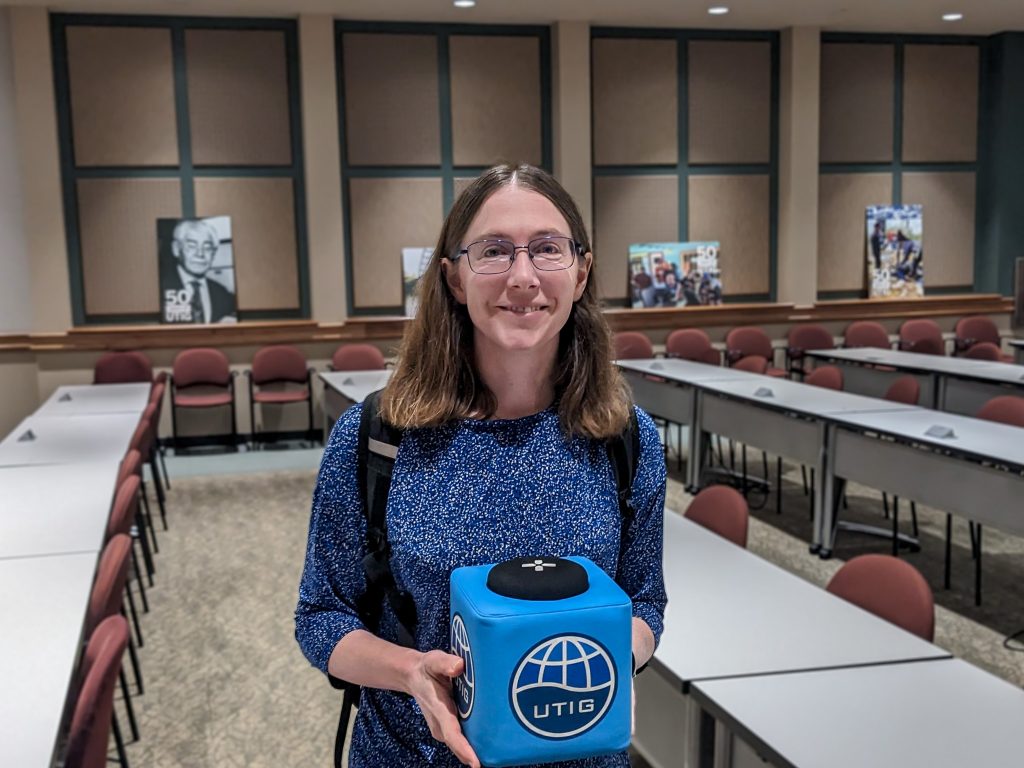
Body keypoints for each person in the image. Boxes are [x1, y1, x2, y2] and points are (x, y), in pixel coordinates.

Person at [295, 163, 667, 768]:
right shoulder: (377, 439)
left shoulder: (626, 438)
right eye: (493, 252)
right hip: (409, 755)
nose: (523, 277)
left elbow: (646, 603)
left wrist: (611, 661)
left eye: (548, 249)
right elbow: (322, 619)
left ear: (581, 271)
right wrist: (412, 670)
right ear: (454, 279)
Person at [160, 218, 236, 324]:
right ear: (176, 249)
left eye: (207, 247)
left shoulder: (223, 294)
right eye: (192, 246)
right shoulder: (160, 289)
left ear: (213, 254)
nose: (200, 254)